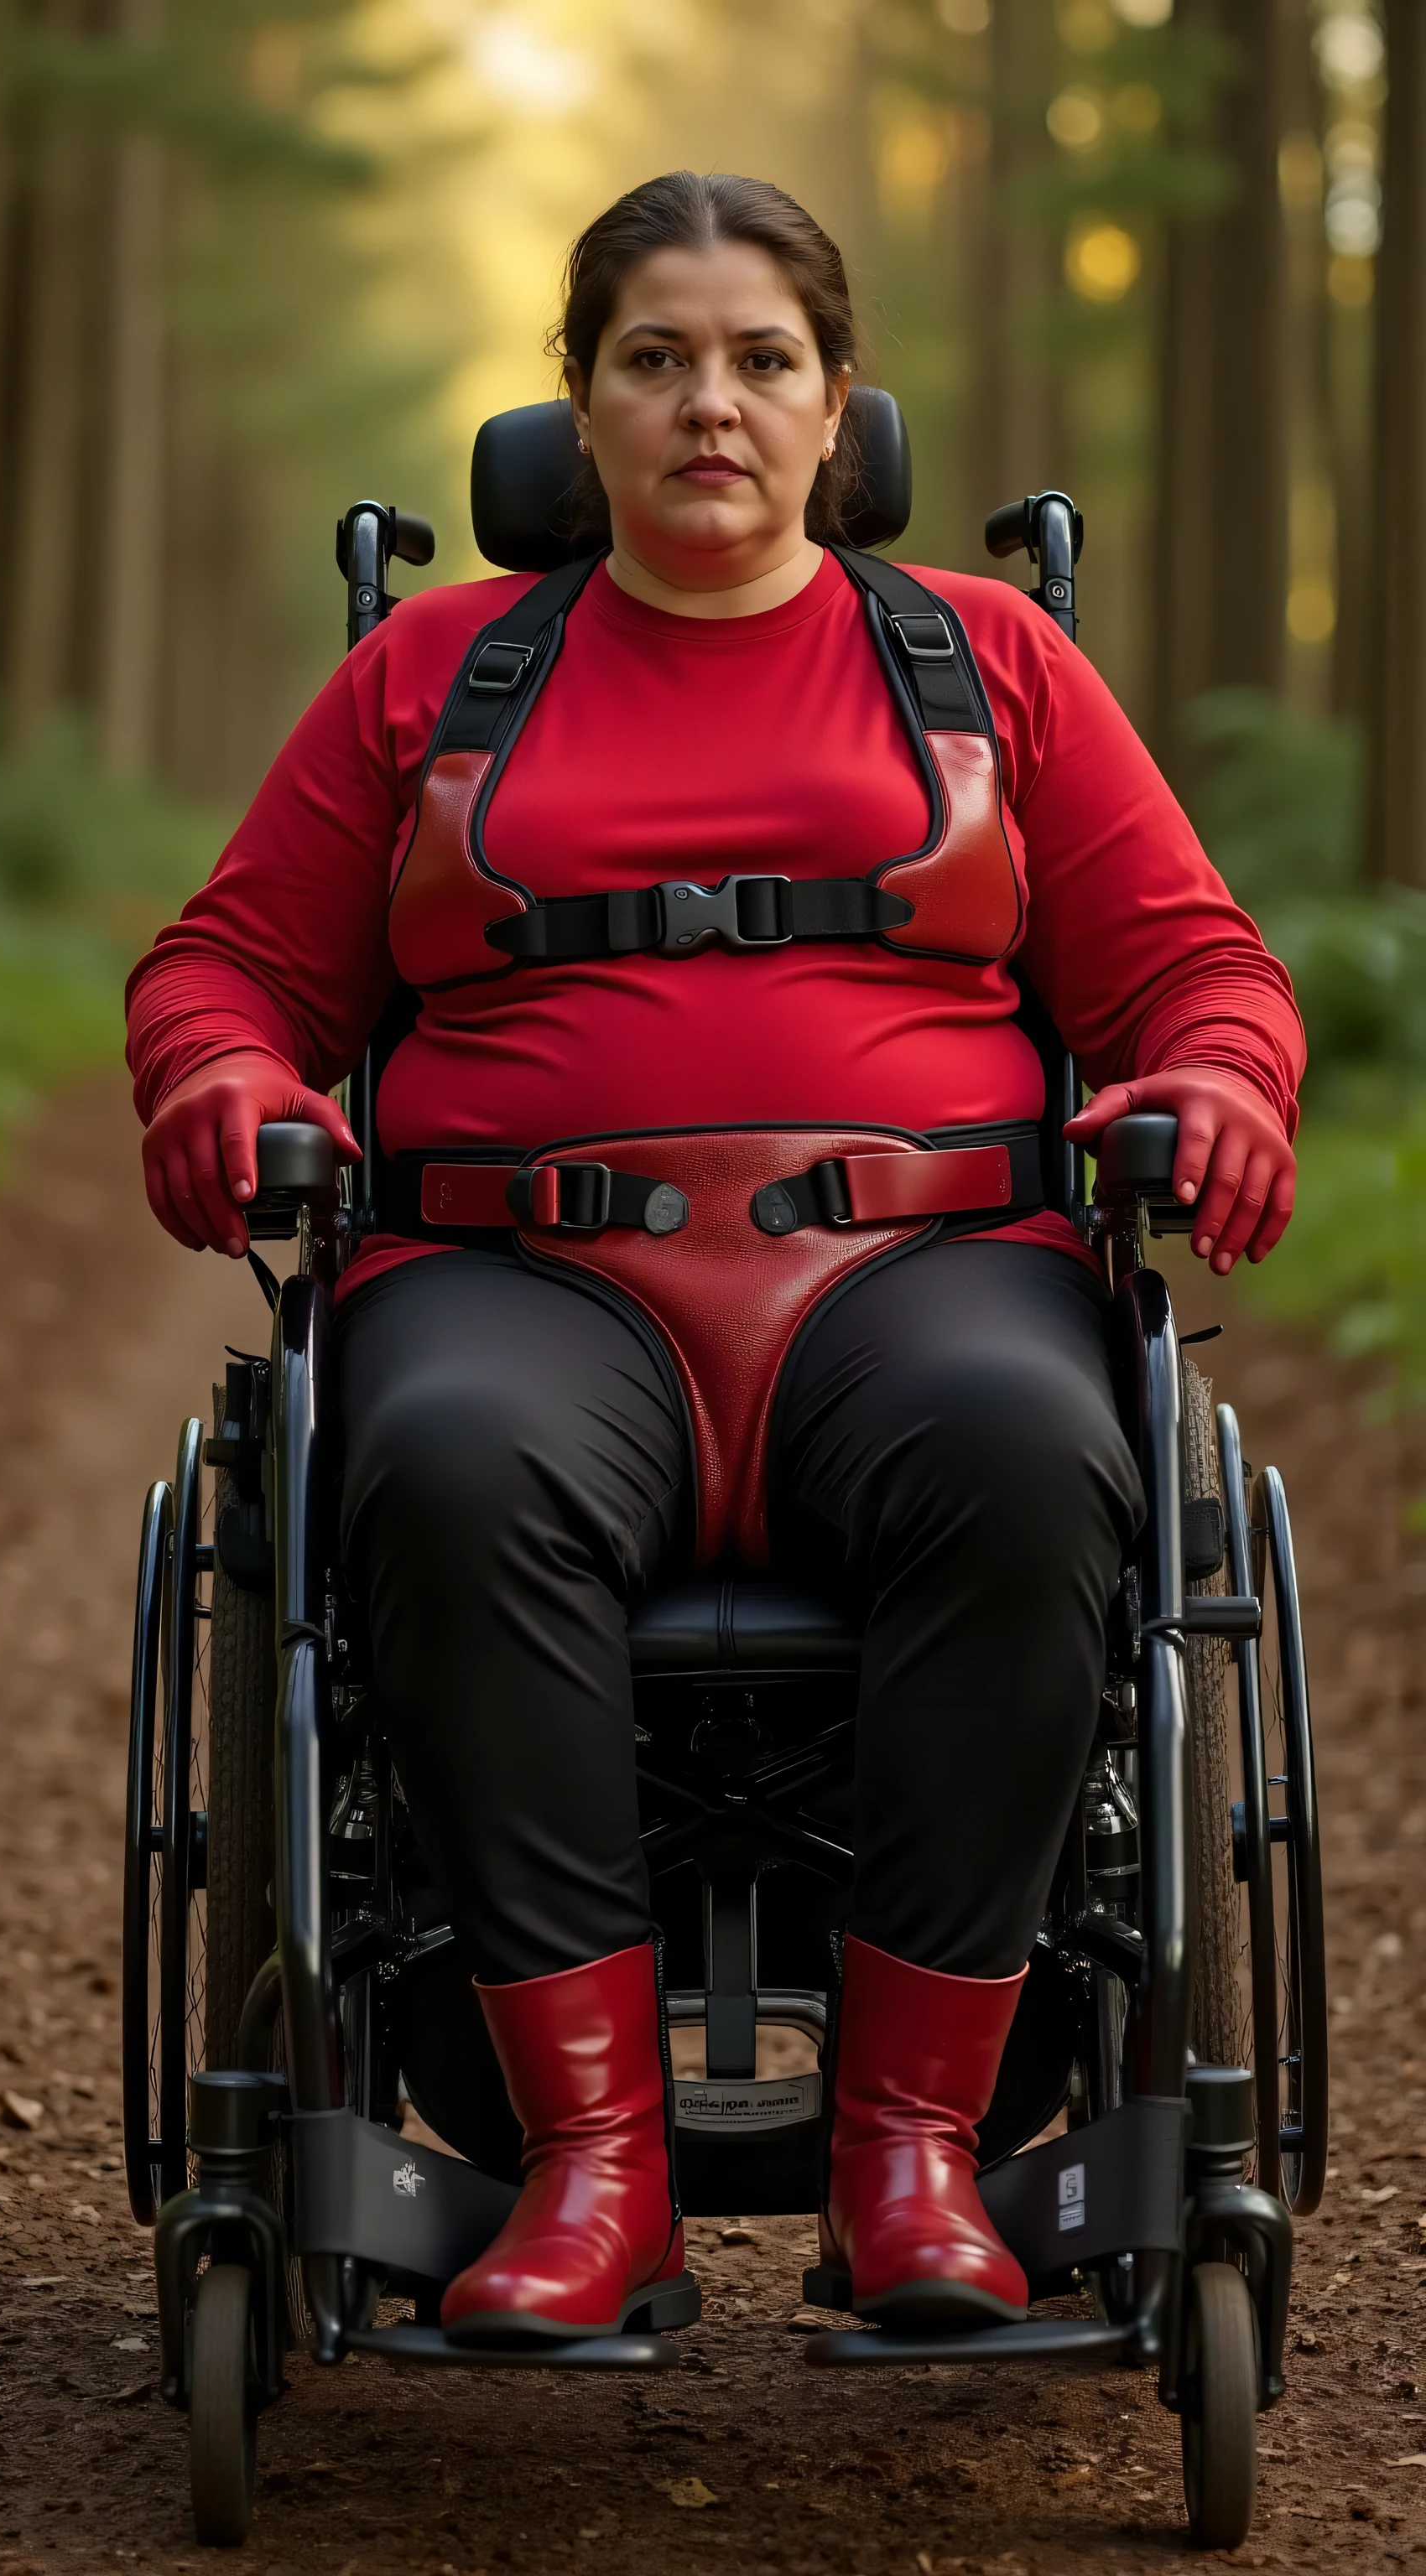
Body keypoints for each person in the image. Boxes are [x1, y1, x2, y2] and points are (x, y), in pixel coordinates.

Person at [127, 171, 1303, 2348]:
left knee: (1037, 1455)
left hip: (922, 1268)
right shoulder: (434, 674)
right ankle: (594, 2175)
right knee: (445, 1467)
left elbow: (1199, 971)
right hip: (524, 1279)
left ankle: (912, 2160)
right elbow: (227, 969)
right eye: (654, 359)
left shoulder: (987, 661)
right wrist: (221, 1075)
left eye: (764, 360)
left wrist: (1223, 1080)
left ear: (838, 407)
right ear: (578, 409)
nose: (710, 405)